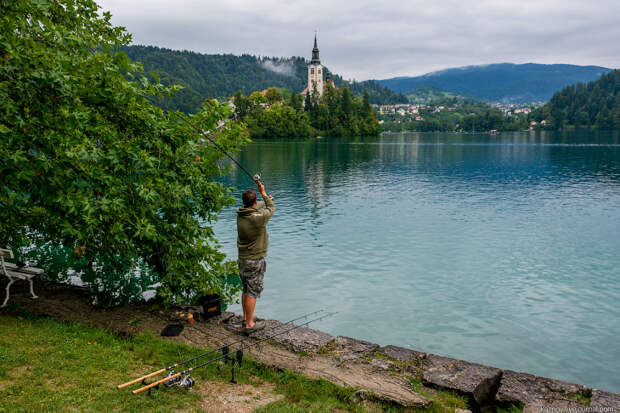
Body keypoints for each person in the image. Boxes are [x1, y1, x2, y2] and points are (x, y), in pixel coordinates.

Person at [236, 180, 275, 334]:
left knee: (246, 288)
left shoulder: (241, 214)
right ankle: (250, 325)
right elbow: (271, 209)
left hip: (243, 259)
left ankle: (246, 318)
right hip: (254, 260)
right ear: (254, 202)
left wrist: (264, 200)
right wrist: (264, 193)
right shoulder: (257, 218)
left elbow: (256, 208)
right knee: (253, 291)